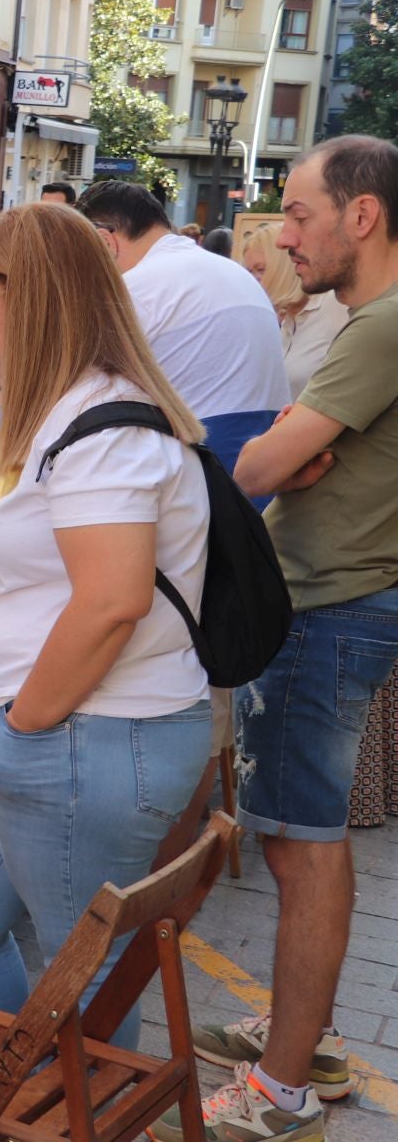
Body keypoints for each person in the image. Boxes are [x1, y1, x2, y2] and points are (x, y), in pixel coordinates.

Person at [0, 203, 212, 1055]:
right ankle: (14, 1100)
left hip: (81, 733)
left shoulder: (101, 428)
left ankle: (61, 1108)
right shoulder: (50, 409)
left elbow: (111, 601)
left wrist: (28, 720)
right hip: (44, 725)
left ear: (35, 304)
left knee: (82, 978)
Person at [161, 136, 398, 1142]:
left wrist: (277, 452)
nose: (282, 234)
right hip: (331, 601)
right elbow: (282, 459)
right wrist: (287, 453)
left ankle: (285, 1089)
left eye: (299, 214)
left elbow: (257, 463)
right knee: (302, 840)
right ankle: (308, 1037)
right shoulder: (365, 323)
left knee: (302, 850)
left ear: (364, 215)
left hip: (329, 608)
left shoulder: (382, 326)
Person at [75, 180, 288, 475]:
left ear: (105, 242)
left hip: (198, 478)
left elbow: (78, 392)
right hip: (258, 472)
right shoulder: (233, 272)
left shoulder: (136, 288)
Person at [243, 221, 348, 401]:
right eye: (248, 271)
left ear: (285, 266)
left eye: (260, 269)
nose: (253, 279)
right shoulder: (286, 320)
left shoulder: (335, 307)